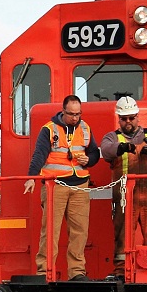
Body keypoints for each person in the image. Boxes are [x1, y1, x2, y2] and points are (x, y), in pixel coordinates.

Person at [23, 95, 99, 280]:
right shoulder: (49, 130)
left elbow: (94, 153)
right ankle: (45, 272)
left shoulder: (85, 128)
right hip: (54, 186)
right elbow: (39, 155)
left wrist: (88, 160)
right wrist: (31, 178)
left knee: (80, 232)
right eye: (71, 114)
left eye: (78, 114)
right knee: (50, 231)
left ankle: (77, 272)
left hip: (80, 186)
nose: (75, 117)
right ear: (63, 111)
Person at [99, 96, 147, 280]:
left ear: (137, 116)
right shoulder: (112, 137)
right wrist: (122, 147)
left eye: (131, 117)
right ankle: (121, 271)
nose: (128, 122)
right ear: (119, 119)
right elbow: (106, 149)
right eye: (124, 118)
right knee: (122, 235)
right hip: (124, 197)